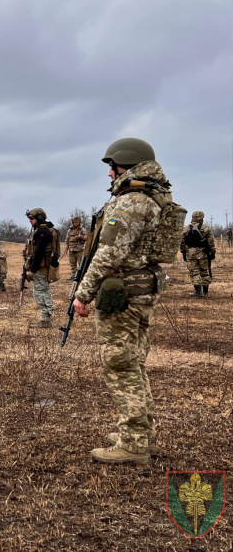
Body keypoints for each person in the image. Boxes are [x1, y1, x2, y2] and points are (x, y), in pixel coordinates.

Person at [73, 137, 175, 465]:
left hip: (124, 293)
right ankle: (140, 433)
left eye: (112, 167)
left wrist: (83, 293)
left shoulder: (133, 200)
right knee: (133, 361)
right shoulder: (152, 195)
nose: (109, 174)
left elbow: (109, 253)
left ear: (127, 164)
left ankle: (133, 444)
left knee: (120, 362)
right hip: (140, 290)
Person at [23, 208, 57, 328]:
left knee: (41, 293)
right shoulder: (41, 231)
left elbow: (39, 253)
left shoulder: (42, 233)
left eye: (32, 219)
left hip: (41, 269)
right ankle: (46, 318)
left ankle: (46, 320)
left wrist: (32, 270)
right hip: (40, 268)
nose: (30, 221)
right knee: (42, 292)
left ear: (39, 218)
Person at [180, 211, 215, 298]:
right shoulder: (206, 228)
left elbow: (182, 241)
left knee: (194, 272)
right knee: (205, 272)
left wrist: (183, 251)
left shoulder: (187, 228)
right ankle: (205, 292)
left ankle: (199, 292)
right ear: (202, 217)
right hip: (203, 253)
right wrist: (212, 252)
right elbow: (211, 241)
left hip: (191, 254)